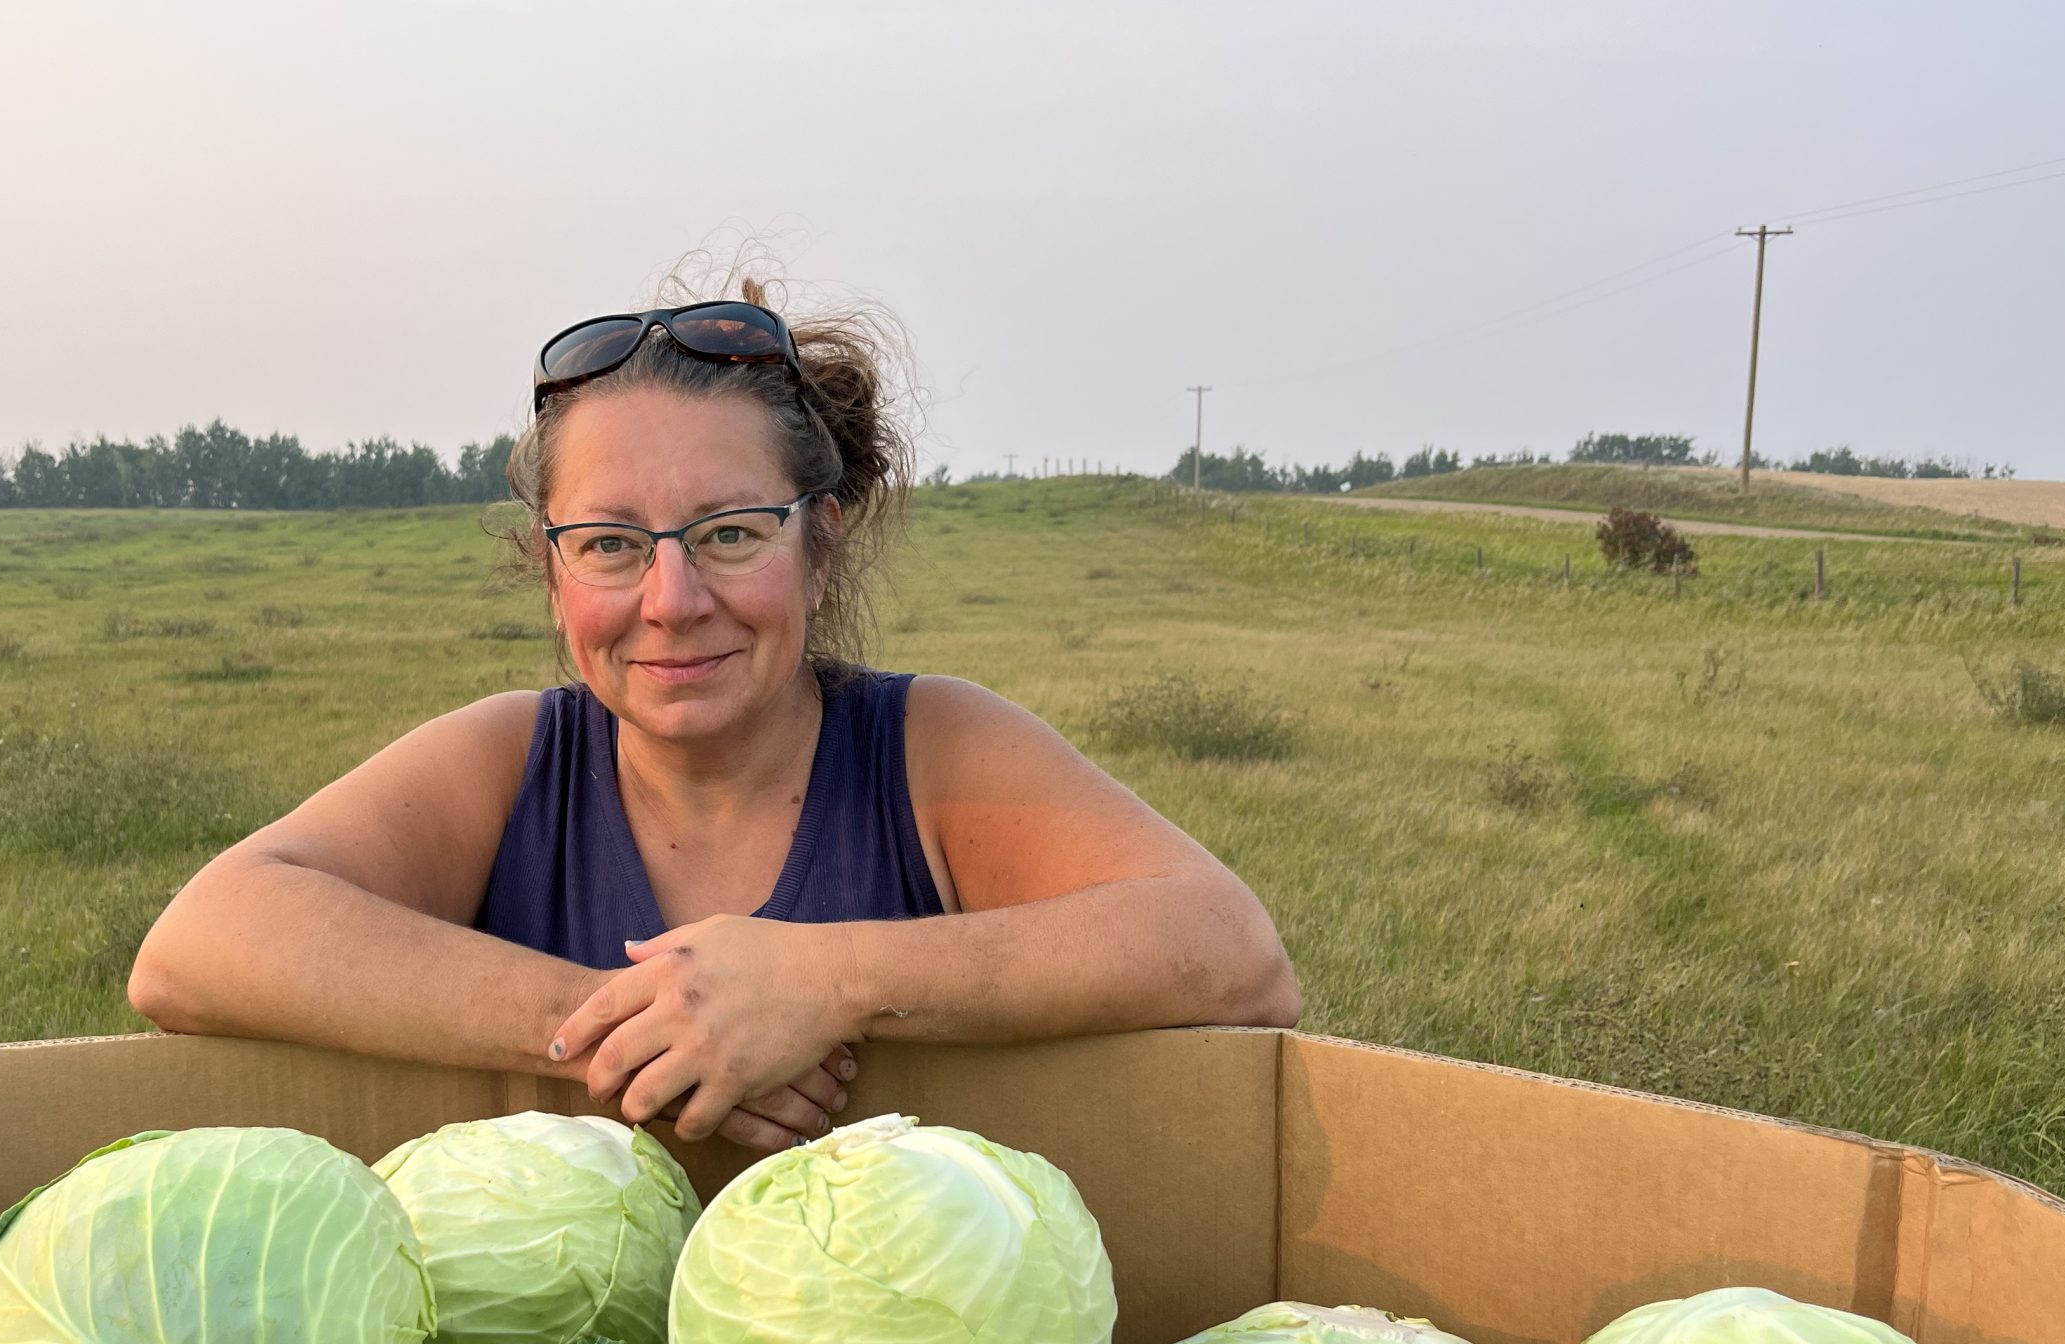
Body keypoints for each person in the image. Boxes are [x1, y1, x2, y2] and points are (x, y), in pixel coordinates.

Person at [129, 279, 1299, 1153]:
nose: (671, 601)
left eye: (732, 534)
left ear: (820, 544)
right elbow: (195, 948)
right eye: (609, 546)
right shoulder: (510, 763)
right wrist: (627, 1025)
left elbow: (1233, 960)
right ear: (551, 572)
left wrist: (827, 982)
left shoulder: (931, 752)